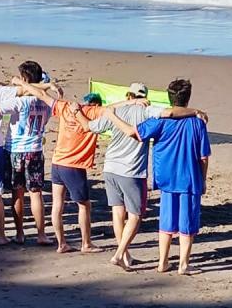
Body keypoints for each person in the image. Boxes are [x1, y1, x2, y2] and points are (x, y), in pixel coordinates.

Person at [77, 82, 206, 269]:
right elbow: (202, 155)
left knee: (125, 214)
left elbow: (91, 126)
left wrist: (81, 112)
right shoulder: (153, 112)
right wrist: (196, 111)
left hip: (119, 169)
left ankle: (146, 258)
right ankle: (127, 254)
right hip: (143, 173)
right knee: (152, 218)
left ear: (128, 96)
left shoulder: (123, 113)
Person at [14, 81, 105, 254]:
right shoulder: (94, 112)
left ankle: (61, 243)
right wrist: (132, 102)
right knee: (84, 205)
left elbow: (42, 95)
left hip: (57, 163)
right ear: (96, 105)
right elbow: (113, 109)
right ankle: (86, 243)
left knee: (57, 205)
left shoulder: (65, 108)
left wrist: (21, 83)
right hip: (73, 165)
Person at [0, 60, 54, 246]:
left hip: (16, 150)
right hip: (34, 149)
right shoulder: (46, 103)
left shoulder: (20, 102)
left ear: (25, 79)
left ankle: (20, 234)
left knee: (18, 194)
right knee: (36, 193)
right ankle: (41, 234)